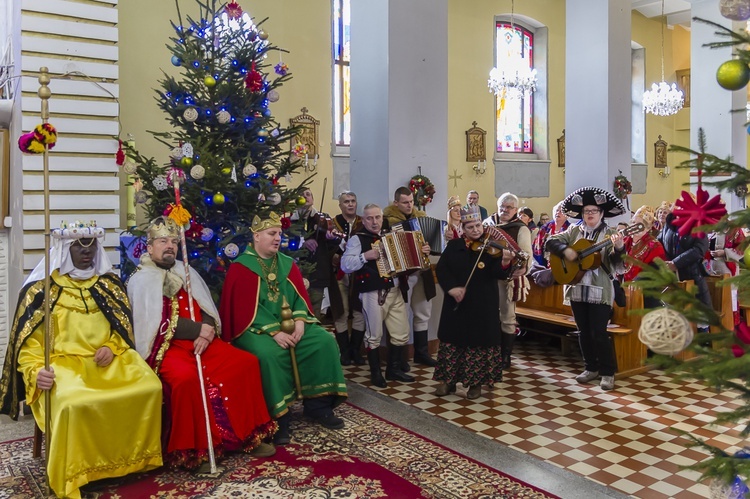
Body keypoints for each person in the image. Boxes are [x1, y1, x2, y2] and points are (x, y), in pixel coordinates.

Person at [0, 223, 163, 498]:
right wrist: (35, 370)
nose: (86, 252)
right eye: (78, 245)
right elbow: (28, 346)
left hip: (109, 359)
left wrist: (112, 347)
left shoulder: (109, 285)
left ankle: (133, 462)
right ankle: (78, 471)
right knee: (74, 402)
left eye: (91, 245)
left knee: (150, 387)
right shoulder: (43, 291)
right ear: (64, 249)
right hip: (63, 364)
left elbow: (122, 330)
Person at [128, 216, 276, 469]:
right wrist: (201, 330)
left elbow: (206, 306)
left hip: (204, 342)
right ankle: (196, 452)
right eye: (163, 241)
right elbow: (156, 324)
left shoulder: (185, 269)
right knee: (186, 380)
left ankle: (248, 436)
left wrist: (206, 330)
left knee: (245, 363)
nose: (170, 246)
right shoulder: (140, 280)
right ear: (150, 246)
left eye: (174, 241)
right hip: (168, 347)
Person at [220, 213, 348, 445]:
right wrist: (274, 332)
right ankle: (279, 417)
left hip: (292, 325)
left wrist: (300, 323)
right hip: (255, 329)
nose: (278, 238)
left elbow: (300, 300)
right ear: (256, 236)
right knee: (269, 354)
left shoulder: (287, 265)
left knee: (323, 341)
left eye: (279, 233)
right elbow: (243, 312)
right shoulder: (241, 268)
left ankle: (317, 405)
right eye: (272, 234)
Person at [546, 186, 626, 391]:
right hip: (576, 287)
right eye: (586, 212)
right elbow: (551, 241)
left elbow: (618, 264)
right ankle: (590, 367)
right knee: (582, 331)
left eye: (593, 211)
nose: (589, 215)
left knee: (599, 332)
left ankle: (607, 372)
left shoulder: (610, 233)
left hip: (600, 290)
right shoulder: (574, 230)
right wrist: (567, 251)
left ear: (601, 214)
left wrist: (618, 248)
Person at [433, 206, 514, 400]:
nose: (476, 230)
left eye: (478, 225)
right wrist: (451, 288)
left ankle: (476, 384)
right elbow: (443, 270)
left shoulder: (492, 247)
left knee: (478, 343)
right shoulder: (454, 246)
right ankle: (448, 381)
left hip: (482, 303)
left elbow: (498, 274)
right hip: (457, 304)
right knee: (453, 341)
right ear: (462, 228)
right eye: (470, 227)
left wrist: (505, 262)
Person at [341, 204, 423, 387]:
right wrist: (365, 256)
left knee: (401, 332)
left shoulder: (390, 235)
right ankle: (376, 373)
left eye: (377, 217)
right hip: (372, 293)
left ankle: (393, 370)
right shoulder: (357, 239)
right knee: (374, 334)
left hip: (396, 290)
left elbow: (409, 258)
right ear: (363, 219)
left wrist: (420, 252)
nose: (374, 221)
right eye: (369, 218)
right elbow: (345, 265)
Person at [383, 186, 437, 368]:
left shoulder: (421, 219)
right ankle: (401, 357)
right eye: (405, 202)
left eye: (411, 201)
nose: (409, 205)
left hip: (423, 273)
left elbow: (433, 244)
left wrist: (428, 248)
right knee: (402, 314)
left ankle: (421, 353)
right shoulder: (387, 221)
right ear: (396, 202)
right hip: (403, 276)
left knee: (423, 312)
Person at [483, 192, 533, 370]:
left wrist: (523, 267)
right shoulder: (487, 224)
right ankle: (490, 351)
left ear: (516, 210)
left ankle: (505, 356)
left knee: (507, 317)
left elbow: (527, 254)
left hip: (507, 279)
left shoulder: (521, 228)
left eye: (509, 207)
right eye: (502, 207)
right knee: (488, 315)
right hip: (486, 277)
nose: (505, 210)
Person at [658, 198, 712, 332]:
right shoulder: (669, 225)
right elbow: (659, 244)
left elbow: (699, 250)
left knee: (699, 315)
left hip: (692, 276)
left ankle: (702, 341)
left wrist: (676, 263)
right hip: (672, 278)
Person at [331, 191, 366, 365]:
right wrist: (333, 256)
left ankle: (356, 351)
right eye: (346, 202)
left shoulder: (363, 222)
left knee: (360, 312)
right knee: (341, 312)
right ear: (340, 205)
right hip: (340, 275)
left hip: (360, 275)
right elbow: (326, 247)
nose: (350, 204)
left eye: (353, 201)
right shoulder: (333, 224)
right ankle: (344, 352)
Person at [623, 205, 666, 309]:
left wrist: (637, 281)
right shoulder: (625, 241)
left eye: (640, 224)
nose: (634, 226)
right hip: (623, 294)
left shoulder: (655, 246)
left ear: (648, 228)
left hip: (645, 295)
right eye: (633, 223)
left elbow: (654, 270)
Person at [532, 201, 570, 267]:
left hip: (564, 266)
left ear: (567, 215)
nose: (558, 212)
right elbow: (537, 246)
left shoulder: (570, 229)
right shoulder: (545, 228)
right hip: (544, 264)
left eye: (561, 211)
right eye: (557, 210)